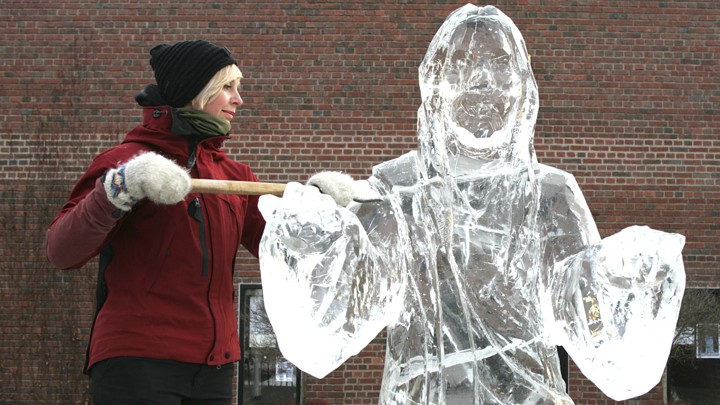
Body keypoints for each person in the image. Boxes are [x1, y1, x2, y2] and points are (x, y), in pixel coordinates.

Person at [258, 5, 685, 405]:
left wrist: (619, 273)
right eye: (462, 64)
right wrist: (317, 247)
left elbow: (581, 313)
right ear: (433, 83)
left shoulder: (550, 193)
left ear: (523, 87)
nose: (482, 80)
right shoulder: (396, 189)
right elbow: (333, 329)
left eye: (501, 66)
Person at [45, 40, 266, 404]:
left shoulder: (234, 176)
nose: (238, 99)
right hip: (138, 361)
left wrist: (317, 210)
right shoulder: (126, 161)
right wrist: (118, 188)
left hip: (215, 367)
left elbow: (282, 247)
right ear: (195, 91)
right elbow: (61, 250)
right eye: (227, 87)